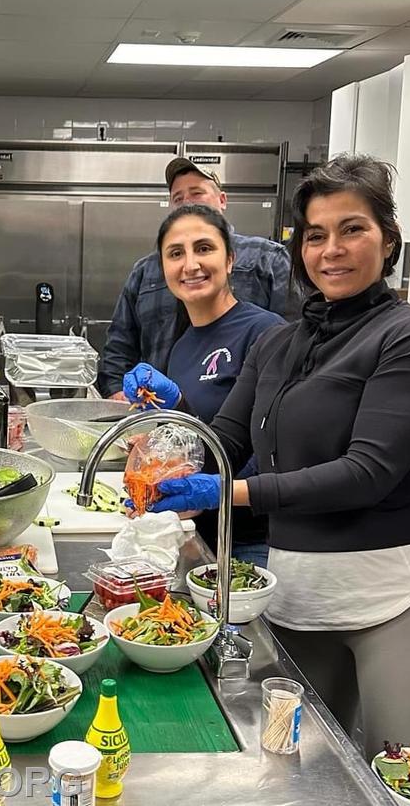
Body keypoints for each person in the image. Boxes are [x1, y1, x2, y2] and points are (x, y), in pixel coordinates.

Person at [147, 154, 410, 757]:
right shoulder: (278, 343)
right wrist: (168, 452)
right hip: (296, 594)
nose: (332, 250)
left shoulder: (409, 336)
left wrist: (228, 492)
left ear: (388, 240)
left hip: (396, 596)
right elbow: (226, 441)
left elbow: (365, 473)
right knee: (298, 771)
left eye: (353, 230)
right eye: (316, 235)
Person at [120, 204, 284, 565]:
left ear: (230, 261)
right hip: (196, 533)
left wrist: (208, 490)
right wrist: (157, 451)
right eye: (176, 253)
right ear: (164, 269)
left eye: (204, 248)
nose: (190, 264)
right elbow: (201, 444)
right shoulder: (183, 345)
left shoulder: (266, 332)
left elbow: (272, 453)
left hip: (250, 542)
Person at [99, 156, 292, 397]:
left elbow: (295, 345)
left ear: (230, 259)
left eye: (197, 193)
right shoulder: (145, 273)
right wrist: (118, 393)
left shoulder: (267, 259)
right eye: (178, 198)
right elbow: (119, 347)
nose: (191, 266)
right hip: (163, 419)